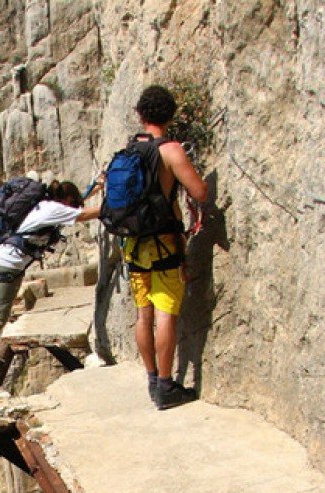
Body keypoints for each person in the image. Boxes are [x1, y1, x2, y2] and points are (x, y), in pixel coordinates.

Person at [0, 178, 103, 383]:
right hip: (7, 264)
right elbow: (82, 214)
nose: (73, 209)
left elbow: (77, 204)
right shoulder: (51, 209)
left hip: (9, 262)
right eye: (72, 204)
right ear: (65, 200)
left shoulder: (46, 206)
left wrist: (94, 187)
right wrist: (117, 204)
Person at [124, 85, 208, 410]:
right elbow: (199, 192)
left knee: (143, 315)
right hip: (164, 245)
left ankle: (150, 379)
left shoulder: (129, 151)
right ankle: (165, 385)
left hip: (133, 246)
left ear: (140, 115)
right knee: (165, 314)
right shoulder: (170, 150)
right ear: (170, 116)